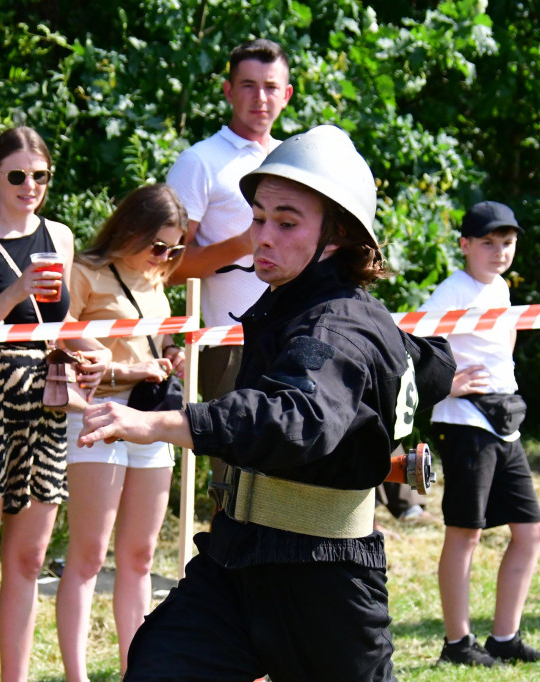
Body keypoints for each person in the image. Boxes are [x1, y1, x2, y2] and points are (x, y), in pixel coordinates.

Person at [78, 125, 453, 682]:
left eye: (287, 221)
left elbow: (295, 417)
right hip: (237, 561)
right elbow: (430, 364)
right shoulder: (295, 306)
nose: (263, 236)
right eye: (259, 217)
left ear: (337, 237)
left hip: (324, 580)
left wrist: (158, 422)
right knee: (158, 668)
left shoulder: (336, 324)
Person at [0, 127, 108, 682]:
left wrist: (93, 350)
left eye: (39, 176)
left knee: (29, 560)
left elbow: (57, 327)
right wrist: (12, 293)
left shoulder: (59, 235)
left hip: (44, 409)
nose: (29, 186)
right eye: (17, 175)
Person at [55, 183, 187, 682]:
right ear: (131, 229)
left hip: (152, 416)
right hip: (99, 410)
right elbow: (60, 331)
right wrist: (125, 368)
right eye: (159, 246)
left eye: (175, 249)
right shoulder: (86, 272)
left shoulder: (157, 279)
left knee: (139, 555)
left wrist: (167, 358)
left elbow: (156, 341)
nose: (166, 257)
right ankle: (77, 674)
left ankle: (137, 669)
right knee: (88, 554)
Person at [422, 201, 540, 667]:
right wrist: (447, 384)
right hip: (463, 423)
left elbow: (506, 340)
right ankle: (457, 646)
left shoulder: (499, 287)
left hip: (504, 422)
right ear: (464, 245)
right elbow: (413, 341)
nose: (499, 252)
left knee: (530, 530)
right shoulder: (452, 290)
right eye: (487, 243)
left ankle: (505, 639)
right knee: (466, 534)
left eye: (507, 243)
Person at [165, 38, 293, 504]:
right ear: (227, 91)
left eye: (270, 87)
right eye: (248, 86)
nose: (260, 98)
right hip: (228, 342)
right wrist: (242, 244)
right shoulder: (200, 161)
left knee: (288, 473)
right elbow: (165, 266)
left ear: (287, 95)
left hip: (295, 336)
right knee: (236, 483)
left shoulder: (293, 160)